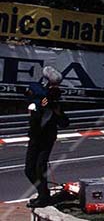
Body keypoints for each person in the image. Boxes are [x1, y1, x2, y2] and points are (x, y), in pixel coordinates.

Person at [24, 67, 65, 208]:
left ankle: (43, 197)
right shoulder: (37, 100)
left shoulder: (56, 103)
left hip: (47, 139)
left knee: (40, 168)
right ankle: (44, 193)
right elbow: (33, 117)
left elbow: (65, 123)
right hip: (35, 137)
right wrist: (41, 107)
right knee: (29, 169)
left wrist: (57, 112)